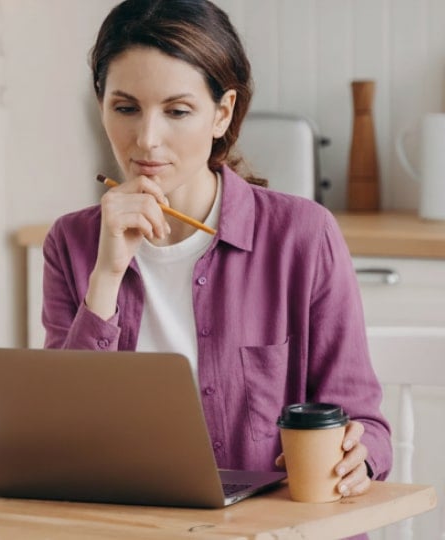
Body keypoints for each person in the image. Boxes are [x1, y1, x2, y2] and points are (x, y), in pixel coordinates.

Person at [41, 0, 392, 510]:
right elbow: (58, 439)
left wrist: (357, 458)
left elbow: (367, 426)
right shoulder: (71, 244)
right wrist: (107, 275)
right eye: (125, 107)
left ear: (222, 113)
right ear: (101, 106)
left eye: (177, 111)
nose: (147, 139)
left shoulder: (303, 235)